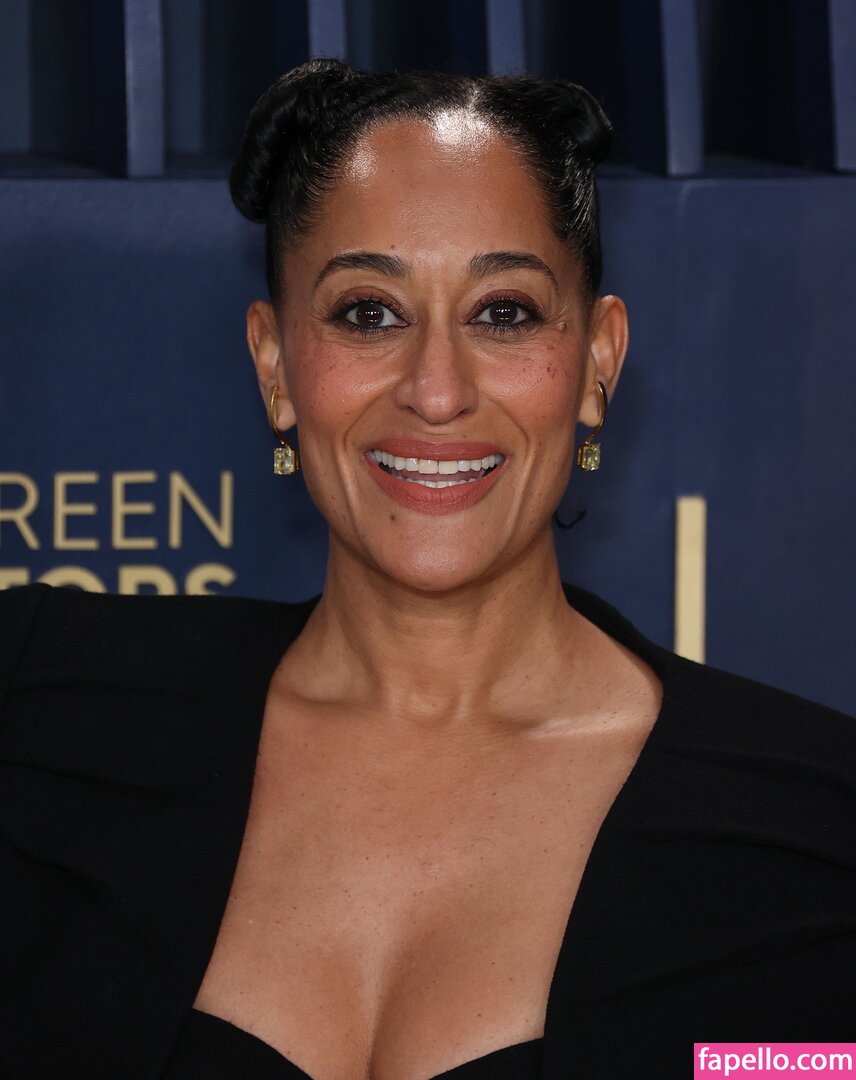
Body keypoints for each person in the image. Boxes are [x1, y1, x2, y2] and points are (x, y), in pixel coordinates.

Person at [1, 58, 854, 1080]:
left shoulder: (816, 829)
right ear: (274, 366)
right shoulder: (40, 711)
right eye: (368, 312)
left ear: (597, 362)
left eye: (504, 312)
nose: (436, 391)